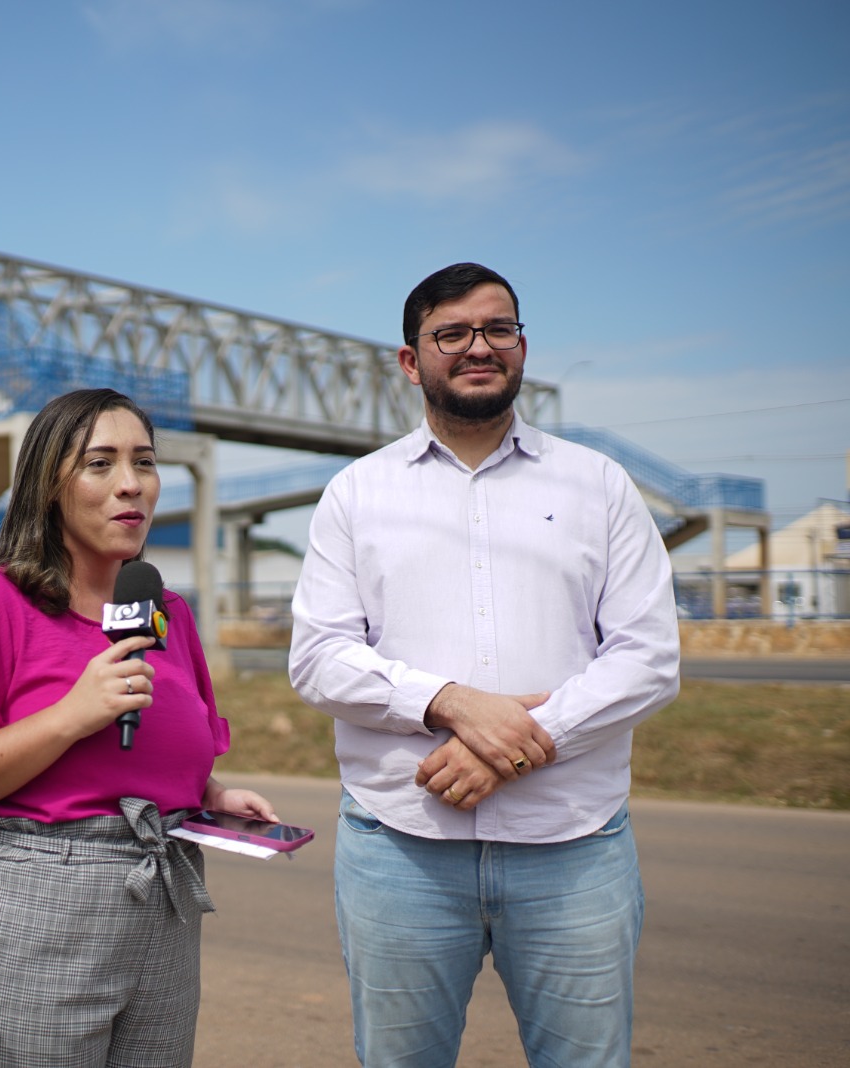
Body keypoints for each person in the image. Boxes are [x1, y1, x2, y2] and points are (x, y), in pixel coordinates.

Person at [289, 262, 681, 1066]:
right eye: (453, 333)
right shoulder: (355, 495)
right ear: (411, 360)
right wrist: (452, 703)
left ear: (522, 346)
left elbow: (648, 657)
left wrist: (521, 735)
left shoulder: (599, 486)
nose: (479, 347)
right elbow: (320, 658)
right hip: (401, 848)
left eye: (498, 329)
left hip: (573, 846)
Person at [0, 387, 278, 1068]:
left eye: (145, 462)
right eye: (100, 464)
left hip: (160, 897)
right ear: (49, 486)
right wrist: (69, 717)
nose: (131, 484)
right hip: (33, 903)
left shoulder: (167, 614)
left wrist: (209, 795)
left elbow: (147, 754)